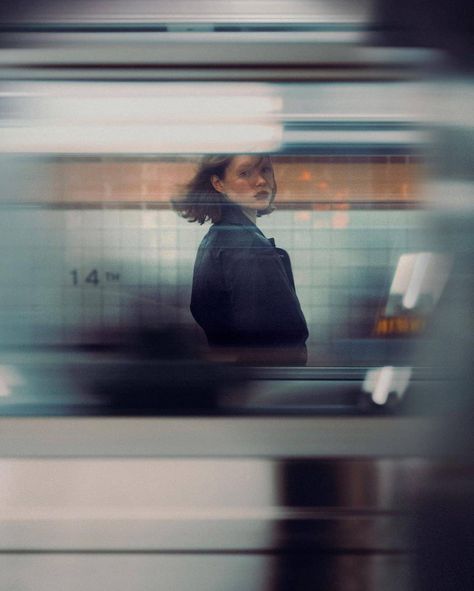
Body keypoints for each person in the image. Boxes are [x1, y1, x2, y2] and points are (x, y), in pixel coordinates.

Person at [173, 154, 308, 364]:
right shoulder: (248, 245)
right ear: (219, 184)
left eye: (265, 170)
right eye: (245, 173)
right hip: (265, 383)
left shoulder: (216, 237)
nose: (261, 181)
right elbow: (272, 340)